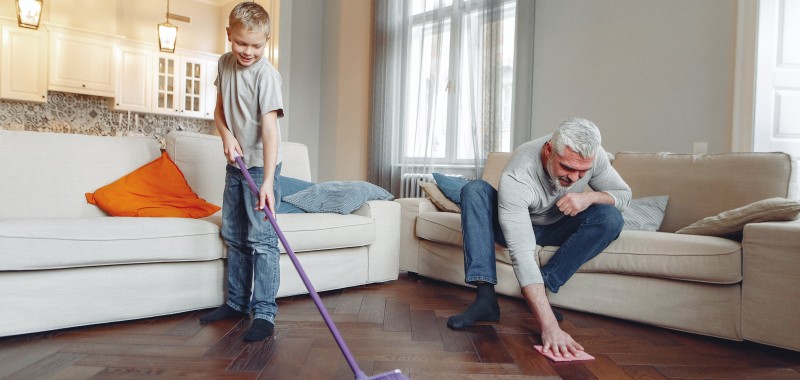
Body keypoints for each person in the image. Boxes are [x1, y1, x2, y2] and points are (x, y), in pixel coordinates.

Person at [446, 117, 631, 358]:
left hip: (556, 225)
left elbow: (624, 195)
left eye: (582, 171)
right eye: (567, 168)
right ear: (548, 151)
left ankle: (543, 286)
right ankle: (485, 299)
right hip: (511, 222)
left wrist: (589, 197)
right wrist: (550, 328)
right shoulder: (518, 174)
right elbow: (522, 254)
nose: (575, 178)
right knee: (474, 190)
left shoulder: (594, 158)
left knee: (611, 218)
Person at [198, 2, 285, 343]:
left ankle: (264, 313)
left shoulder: (267, 76)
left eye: (256, 45)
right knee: (235, 236)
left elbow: (270, 131)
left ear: (266, 41)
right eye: (241, 43)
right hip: (236, 166)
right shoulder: (223, 63)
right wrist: (226, 135)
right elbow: (218, 112)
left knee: (262, 241)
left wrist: (267, 183)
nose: (248, 51)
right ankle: (236, 303)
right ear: (229, 36)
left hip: (262, 166)